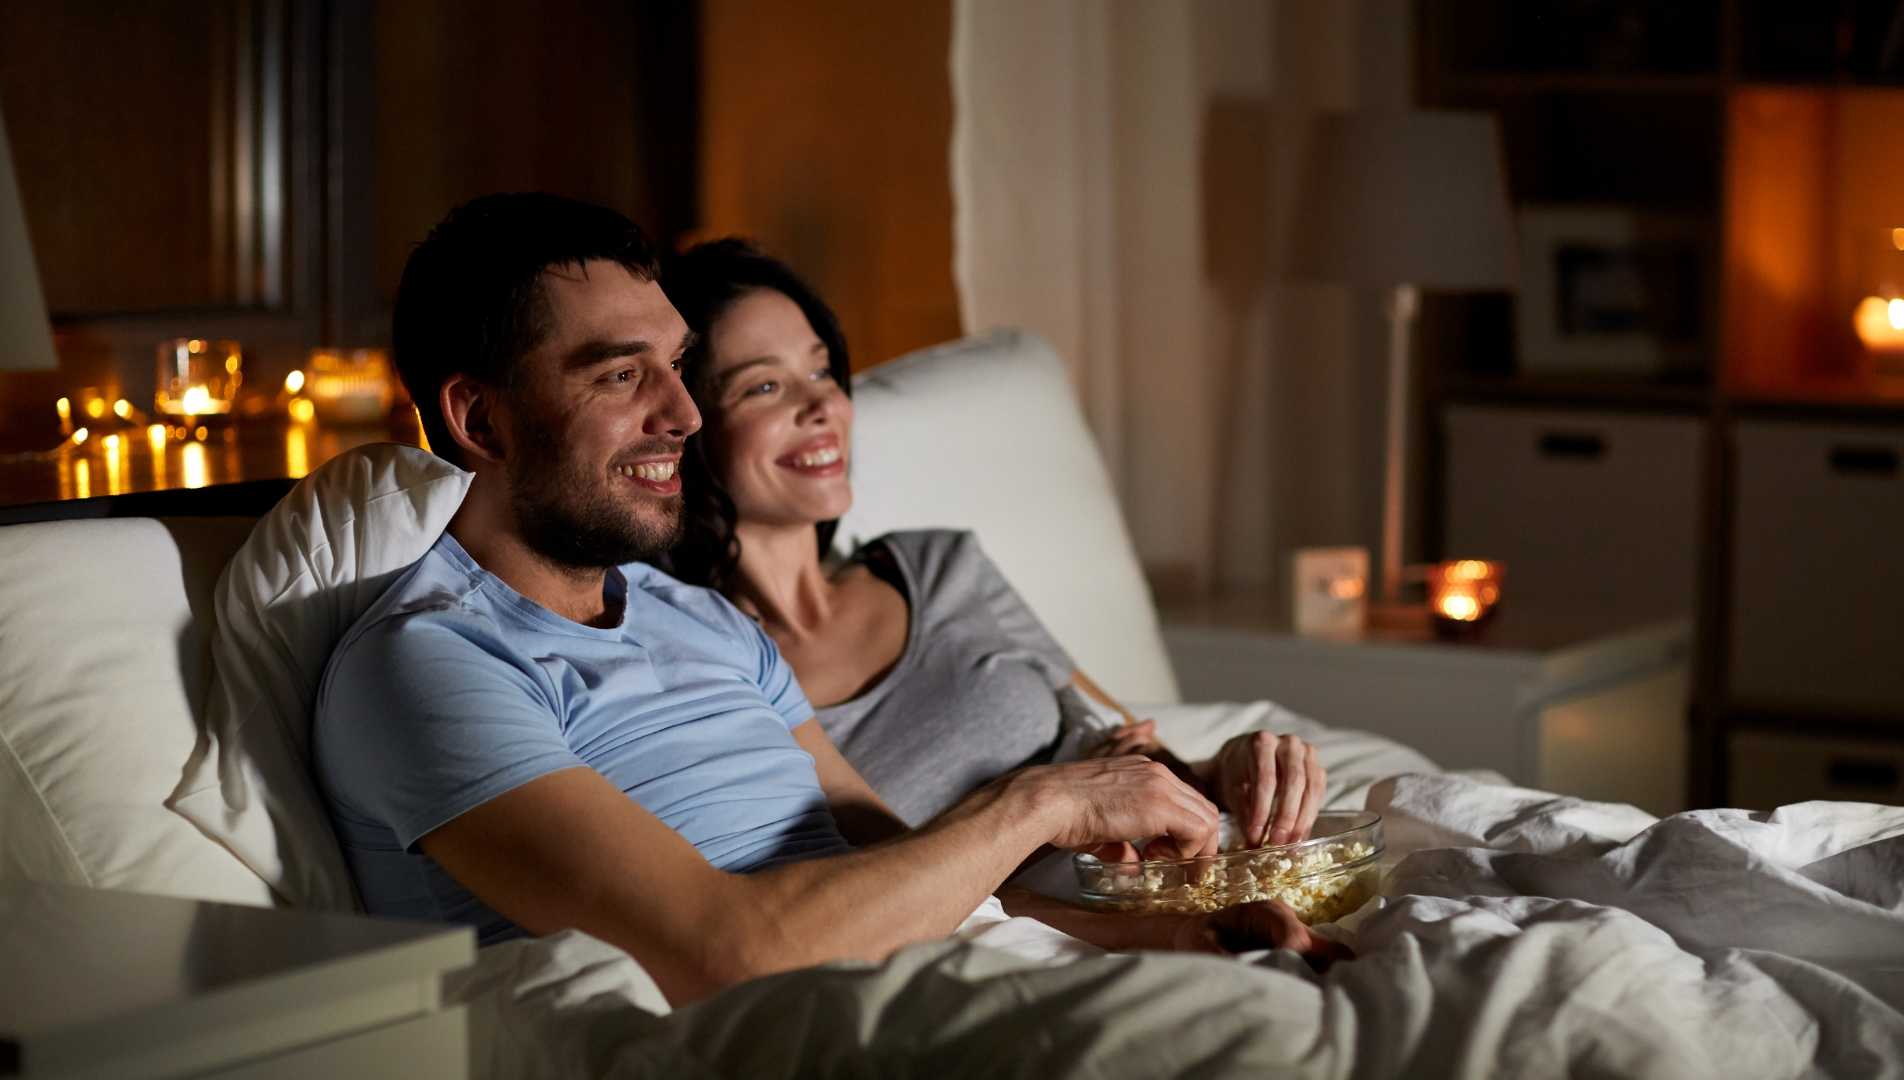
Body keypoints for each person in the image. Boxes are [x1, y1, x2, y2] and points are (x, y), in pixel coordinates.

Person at [312, 194, 1344, 1010]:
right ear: (478, 420)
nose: (679, 414)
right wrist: (1045, 798)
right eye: (622, 376)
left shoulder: (701, 623)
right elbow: (728, 952)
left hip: (940, 980)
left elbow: (918, 875)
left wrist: (1176, 935)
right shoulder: (429, 662)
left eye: (676, 369)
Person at [657, 238, 1328, 857]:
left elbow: (1128, 745)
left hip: (1145, 879)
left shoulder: (938, 564)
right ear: (685, 429)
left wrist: (1236, 769)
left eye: (823, 371)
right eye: (764, 386)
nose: (821, 406)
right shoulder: (710, 667)